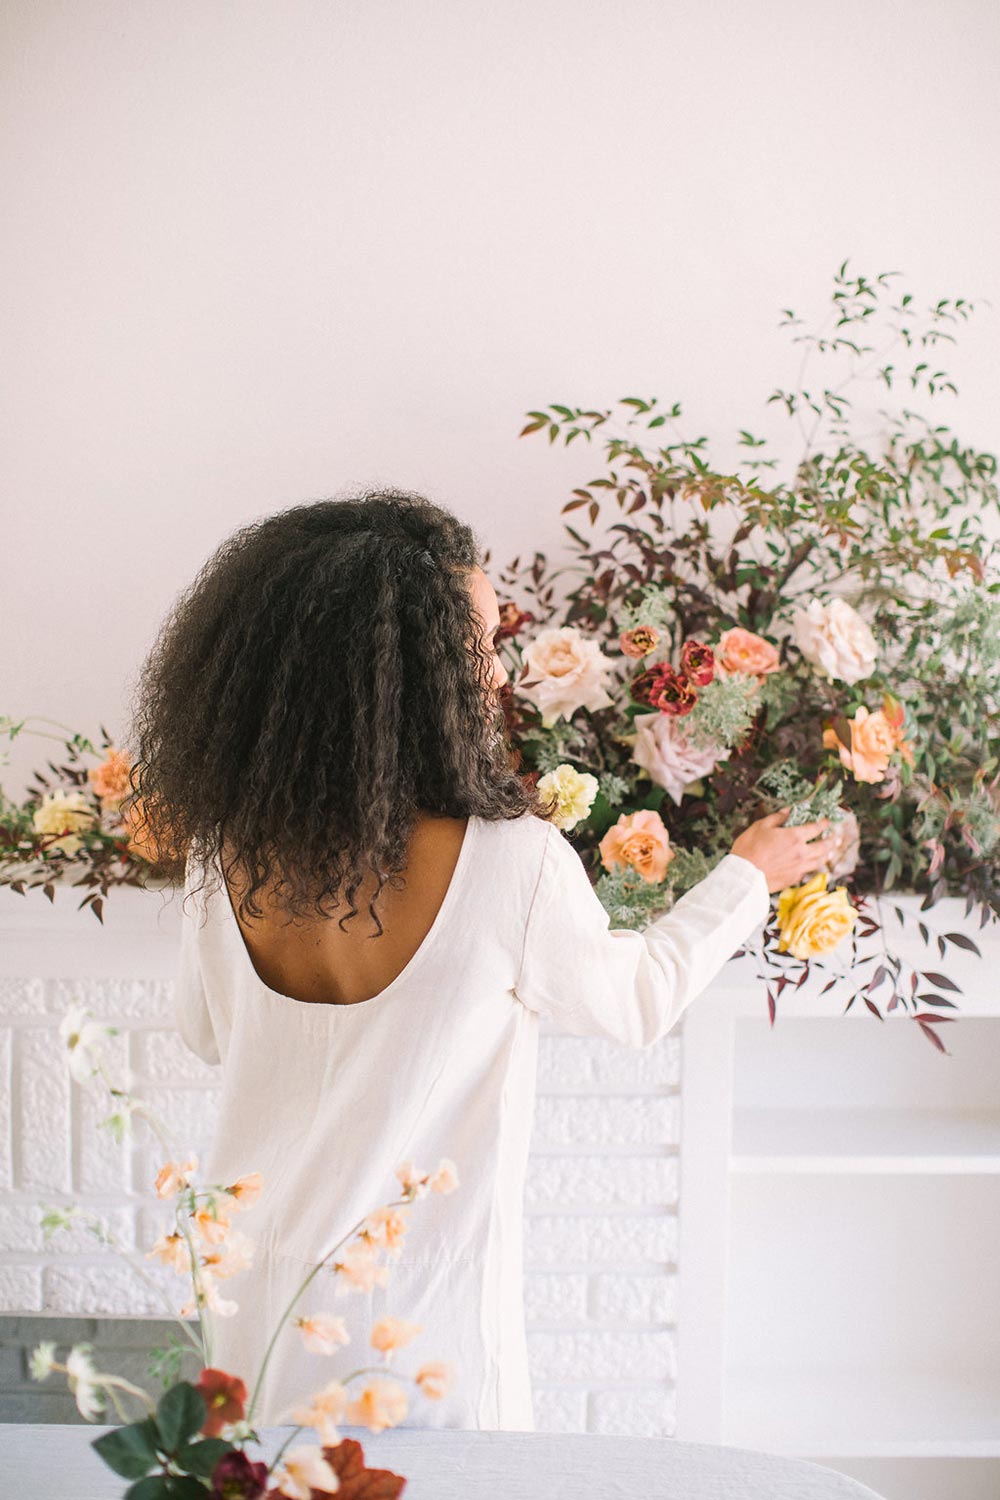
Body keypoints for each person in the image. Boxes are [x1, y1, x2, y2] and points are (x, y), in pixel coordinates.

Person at [127, 488, 833, 1432]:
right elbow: (636, 1003)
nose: (499, 674)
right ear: (407, 673)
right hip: (417, 1335)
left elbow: (206, 1032)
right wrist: (746, 875)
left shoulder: (224, 852)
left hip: (251, 1311)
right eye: (483, 644)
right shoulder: (510, 863)